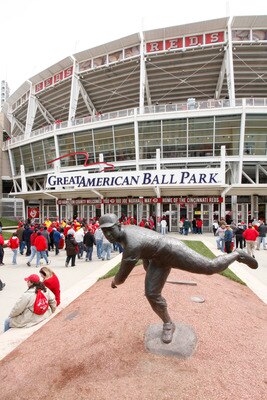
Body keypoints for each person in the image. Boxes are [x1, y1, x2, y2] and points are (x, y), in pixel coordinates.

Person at [99, 213, 258, 344]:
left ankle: (238, 254)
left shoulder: (132, 243)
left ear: (118, 226)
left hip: (171, 249)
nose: (108, 235)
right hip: (157, 257)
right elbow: (146, 244)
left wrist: (114, 282)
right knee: (151, 294)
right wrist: (148, 266)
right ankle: (168, 324)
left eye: (110, 230)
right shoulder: (126, 232)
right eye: (105, 232)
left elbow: (121, 276)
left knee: (210, 267)